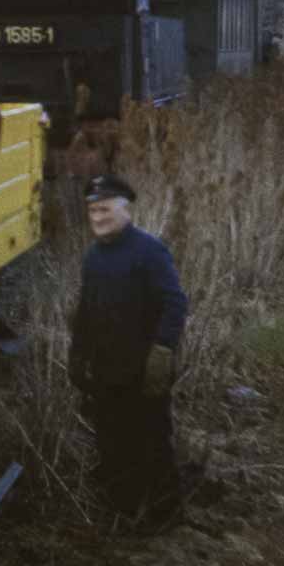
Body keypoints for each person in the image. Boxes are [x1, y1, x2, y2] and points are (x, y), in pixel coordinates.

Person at [68, 174, 188, 526]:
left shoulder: (149, 251)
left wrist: (162, 353)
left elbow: (175, 302)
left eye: (104, 209)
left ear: (126, 209)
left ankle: (165, 515)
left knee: (152, 441)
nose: (98, 218)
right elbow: (86, 311)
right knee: (110, 441)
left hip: (144, 369)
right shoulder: (93, 257)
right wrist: (77, 355)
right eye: (92, 211)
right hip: (105, 371)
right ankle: (121, 509)